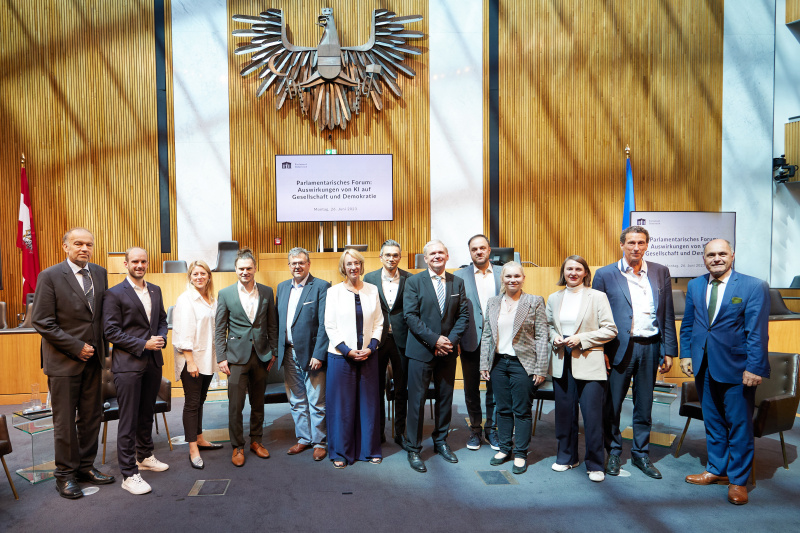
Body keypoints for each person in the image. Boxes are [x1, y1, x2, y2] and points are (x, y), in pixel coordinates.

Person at [680, 239, 770, 505]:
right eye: (711, 254)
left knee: (739, 425)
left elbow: (757, 332)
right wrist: (686, 353)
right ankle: (716, 470)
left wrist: (754, 367)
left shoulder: (754, 286)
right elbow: (689, 324)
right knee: (714, 421)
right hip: (704, 365)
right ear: (704, 258)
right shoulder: (696, 285)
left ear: (732, 255)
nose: (716, 258)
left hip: (737, 368)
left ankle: (738, 480)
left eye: (721, 253)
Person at [31, 227, 115, 499]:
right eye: (78, 243)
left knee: (92, 418)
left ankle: (86, 467)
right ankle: (65, 475)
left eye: (89, 244)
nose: (84, 248)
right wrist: (77, 347)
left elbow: (100, 316)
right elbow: (42, 321)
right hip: (64, 362)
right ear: (65, 246)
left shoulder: (100, 273)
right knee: (65, 422)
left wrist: (104, 350)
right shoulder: (50, 276)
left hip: (94, 362)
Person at [593, 225, 677, 479]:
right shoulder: (605, 274)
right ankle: (614, 452)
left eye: (641, 243)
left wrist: (669, 350)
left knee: (645, 405)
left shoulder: (660, 272)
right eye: (631, 243)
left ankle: (641, 454)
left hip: (650, 347)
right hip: (618, 349)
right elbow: (595, 317)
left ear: (647, 245)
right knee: (613, 404)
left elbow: (667, 314)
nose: (636, 248)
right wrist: (601, 350)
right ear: (622, 245)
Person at [102, 247, 169, 495]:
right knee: (128, 419)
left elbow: (162, 320)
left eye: (143, 261)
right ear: (126, 263)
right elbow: (111, 333)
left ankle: (145, 456)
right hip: (128, 365)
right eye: (135, 261)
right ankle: (129, 473)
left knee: (146, 414)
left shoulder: (155, 289)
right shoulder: (114, 294)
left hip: (153, 362)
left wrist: (160, 337)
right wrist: (144, 344)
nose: (139, 265)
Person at [546, 256, 617, 482]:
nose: (573, 273)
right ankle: (566, 457)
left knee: (592, 416)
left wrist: (581, 338)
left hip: (588, 360)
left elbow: (610, 330)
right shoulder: (554, 298)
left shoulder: (597, 296)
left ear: (585, 272)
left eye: (578, 269)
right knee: (564, 415)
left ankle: (595, 464)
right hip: (561, 360)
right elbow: (547, 326)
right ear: (563, 272)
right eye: (569, 269)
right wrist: (554, 337)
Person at [403, 240, 469, 473]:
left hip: (448, 351)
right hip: (421, 351)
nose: (437, 256)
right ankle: (413, 447)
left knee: (445, 399)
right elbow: (410, 317)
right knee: (417, 402)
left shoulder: (457, 282)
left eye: (441, 252)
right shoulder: (413, 282)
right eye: (432, 253)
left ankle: (441, 441)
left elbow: (463, 316)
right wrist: (435, 340)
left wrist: (448, 341)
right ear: (425, 257)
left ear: (447, 255)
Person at [479, 262, 548, 474]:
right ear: (503, 279)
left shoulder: (534, 301)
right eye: (508, 276)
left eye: (517, 276)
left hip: (523, 364)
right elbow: (488, 335)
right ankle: (504, 449)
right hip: (499, 363)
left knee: (522, 411)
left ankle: (520, 453)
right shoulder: (493, 302)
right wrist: (484, 363)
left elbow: (542, 336)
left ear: (523, 278)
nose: (512, 280)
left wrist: (541, 368)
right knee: (503, 409)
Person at [215, 247, 279, 467]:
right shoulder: (225, 294)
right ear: (235, 269)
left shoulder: (267, 292)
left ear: (255, 268)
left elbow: (272, 325)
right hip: (235, 358)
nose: (245, 272)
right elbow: (219, 327)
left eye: (249, 268)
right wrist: (221, 357)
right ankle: (237, 447)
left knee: (258, 403)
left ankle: (256, 441)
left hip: (261, 356)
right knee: (235, 405)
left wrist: (274, 352)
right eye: (241, 268)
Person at [324, 249, 384, 468]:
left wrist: (372, 347)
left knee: (369, 405)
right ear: (343, 266)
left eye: (357, 263)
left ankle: (369, 450)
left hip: (368, 355)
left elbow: (379, 322)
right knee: (342, 407)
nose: (353, 267)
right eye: (349, 263)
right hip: (341, 357)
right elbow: (329, 325)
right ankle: (340, 453)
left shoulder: (372, 290)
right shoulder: (334, 292)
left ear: (361, 265)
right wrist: (346, 349)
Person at [276, 247, 330, 461]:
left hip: (312, 354)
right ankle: (304, 439)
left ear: (308, 264)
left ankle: (319, 442)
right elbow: (277, 322)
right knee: (296, 399)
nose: (297, 266)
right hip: (288, 352)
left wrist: (319, 354)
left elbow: (326, 324)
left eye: (301, 262)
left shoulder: (321, 286)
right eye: (293, 263)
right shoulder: (281, 288)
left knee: (316, 399)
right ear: (288, 266)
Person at [172, 260, 223, 471]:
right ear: (190, 277)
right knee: (192, 403)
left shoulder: (211, 299)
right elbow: (183, 334)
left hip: (207, 359)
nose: (199, 277)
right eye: (195, 274)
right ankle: (193, 448)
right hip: (191, 360)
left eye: (203, 273)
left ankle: (200, 438)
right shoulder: (185, 300)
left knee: (201, 400)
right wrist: (190, 361)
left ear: (209, 276)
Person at [363, 239, 412, 448]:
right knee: (376, 388)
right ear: (380, 257)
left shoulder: (410, 279)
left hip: (402, 339)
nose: (391, 259)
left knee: (401, 388)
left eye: (395, 255)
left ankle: (399, 432)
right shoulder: (370, 278)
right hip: (377, 340)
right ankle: (378, 431)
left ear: (400, 257)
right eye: (388, 255)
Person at [455, 234, 502, 451]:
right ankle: (475, 430)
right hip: (470, 339)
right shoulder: (458, 276)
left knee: (495, 388)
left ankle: (492, 430)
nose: (479, 252)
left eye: (482, 248)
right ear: (470, 252)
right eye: (474, 249)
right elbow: (452, 311)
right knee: (471, 389)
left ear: (489, 250)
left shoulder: (504, 273)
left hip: (499, 341)